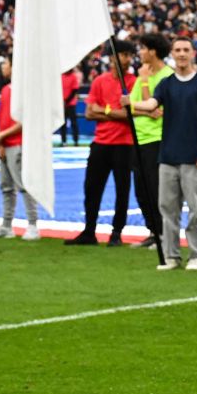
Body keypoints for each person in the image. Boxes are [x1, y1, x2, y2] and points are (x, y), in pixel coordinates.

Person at [143, 36, 197, 270]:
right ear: (172, 54)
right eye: (178, 50)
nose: (182, 54)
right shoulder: (166, 84)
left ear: (193, 53)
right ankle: (172, 256)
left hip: (193, 158)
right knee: (168, 209)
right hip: (168, 157)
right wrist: (130, 104)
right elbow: (151, 105)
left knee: (196, 210)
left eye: (186, 49)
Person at [70, 45, 138, 246]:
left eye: (126, 55)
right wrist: (114, 111)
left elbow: (130, 115)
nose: (122, 59)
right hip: (101, 142)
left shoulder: (134, 83)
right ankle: (89, 231)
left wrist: (105, 110)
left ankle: (116, 233)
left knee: (122, 189)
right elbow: (90, 113)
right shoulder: (100, 81)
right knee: (92, 188)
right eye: (119, 55)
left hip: (124, 144)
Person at [0, 64, 41, 241]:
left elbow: (25, 121)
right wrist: (0, 140)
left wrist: (1, 136)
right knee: (7, 187)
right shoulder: (6, 90)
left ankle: (32, 225)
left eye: (7, 64)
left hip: (18, 143)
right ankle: (7, 225)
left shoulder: (25, 92)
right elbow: (2, 117)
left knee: (24, 185)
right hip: (7, 143)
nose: (4, 68)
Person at [126, 32, 173, 250]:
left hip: (156, 139)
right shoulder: (142, 75)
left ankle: (164, 234)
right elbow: (131, 108)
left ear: (153, 51)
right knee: (141, 190)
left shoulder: (166, 76)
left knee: (156, 189)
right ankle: (153, 232)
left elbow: (152, 107)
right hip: (139, 138)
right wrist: (143, 109)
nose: (140, 53)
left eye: (143, 48)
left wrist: (144, 82)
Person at [58, 64, 83, 147]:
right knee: (63, 124)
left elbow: (74, 90)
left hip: (71, 104)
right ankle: (63, 141)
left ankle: (76, 140)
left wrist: (67, 101)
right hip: (62, 104)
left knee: (74, 123)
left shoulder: (73, 76)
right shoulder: (60, 76)